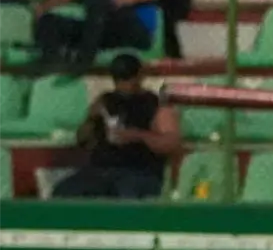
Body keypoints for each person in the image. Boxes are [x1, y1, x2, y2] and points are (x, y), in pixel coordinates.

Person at [54, 54, 180, 199]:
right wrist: (90, 119)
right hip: (101, 170)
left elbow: (171, 143)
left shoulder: (154, 104)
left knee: (125, 193)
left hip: (139, 171)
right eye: (120, 80)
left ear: (139, 76)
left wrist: (138, 136)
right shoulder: (105, 101)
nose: (124, 86)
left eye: (128, 79)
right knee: (63, 191)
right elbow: (81, 139)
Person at [32, 0, 169, 75]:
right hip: (99, 27)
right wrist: (43, 8)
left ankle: (84, 61)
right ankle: (52, 64)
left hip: (135, 25)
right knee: (49, 22)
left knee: (99, 2)